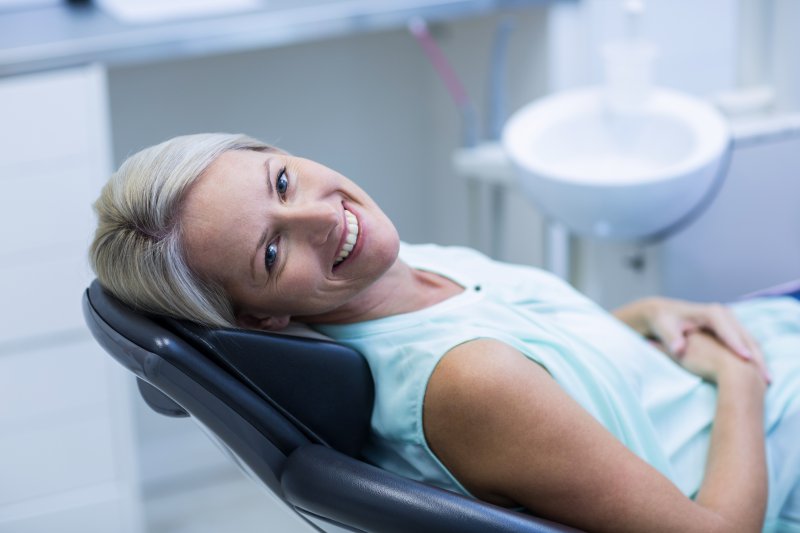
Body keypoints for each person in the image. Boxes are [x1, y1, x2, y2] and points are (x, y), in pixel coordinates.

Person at [90, 133, 800, 533]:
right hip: (770, 446)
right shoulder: (465, 382)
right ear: (259, 318)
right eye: (272, 253)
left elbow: (554, 378)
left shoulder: (392, 269)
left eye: (281, 181)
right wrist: (739, 376)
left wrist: (641, 315)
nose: (322, 217)